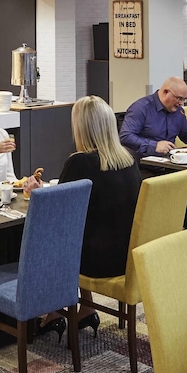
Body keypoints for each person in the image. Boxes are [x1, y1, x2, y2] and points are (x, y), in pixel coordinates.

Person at [52, 96, 142, 338]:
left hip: (98, 262)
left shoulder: (80, 163)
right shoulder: (130, 158)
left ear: (82, 127)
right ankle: (86, 308)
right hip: (129, 256)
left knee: (49, 241)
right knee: (85, 234)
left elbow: (59, 210)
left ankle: (51, 311)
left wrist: (37, 192)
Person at [119, 77, 187, 228]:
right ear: (166, 92)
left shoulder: (179, 112)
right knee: (162, 187)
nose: (181, 103)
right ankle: (155, 228)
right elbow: (125, 136)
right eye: (179, 98)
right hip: (142, 166)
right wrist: (154, 146)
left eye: (184, 99)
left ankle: (182, 227)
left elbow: (186, 137)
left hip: (169, 165)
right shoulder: (141, 108)